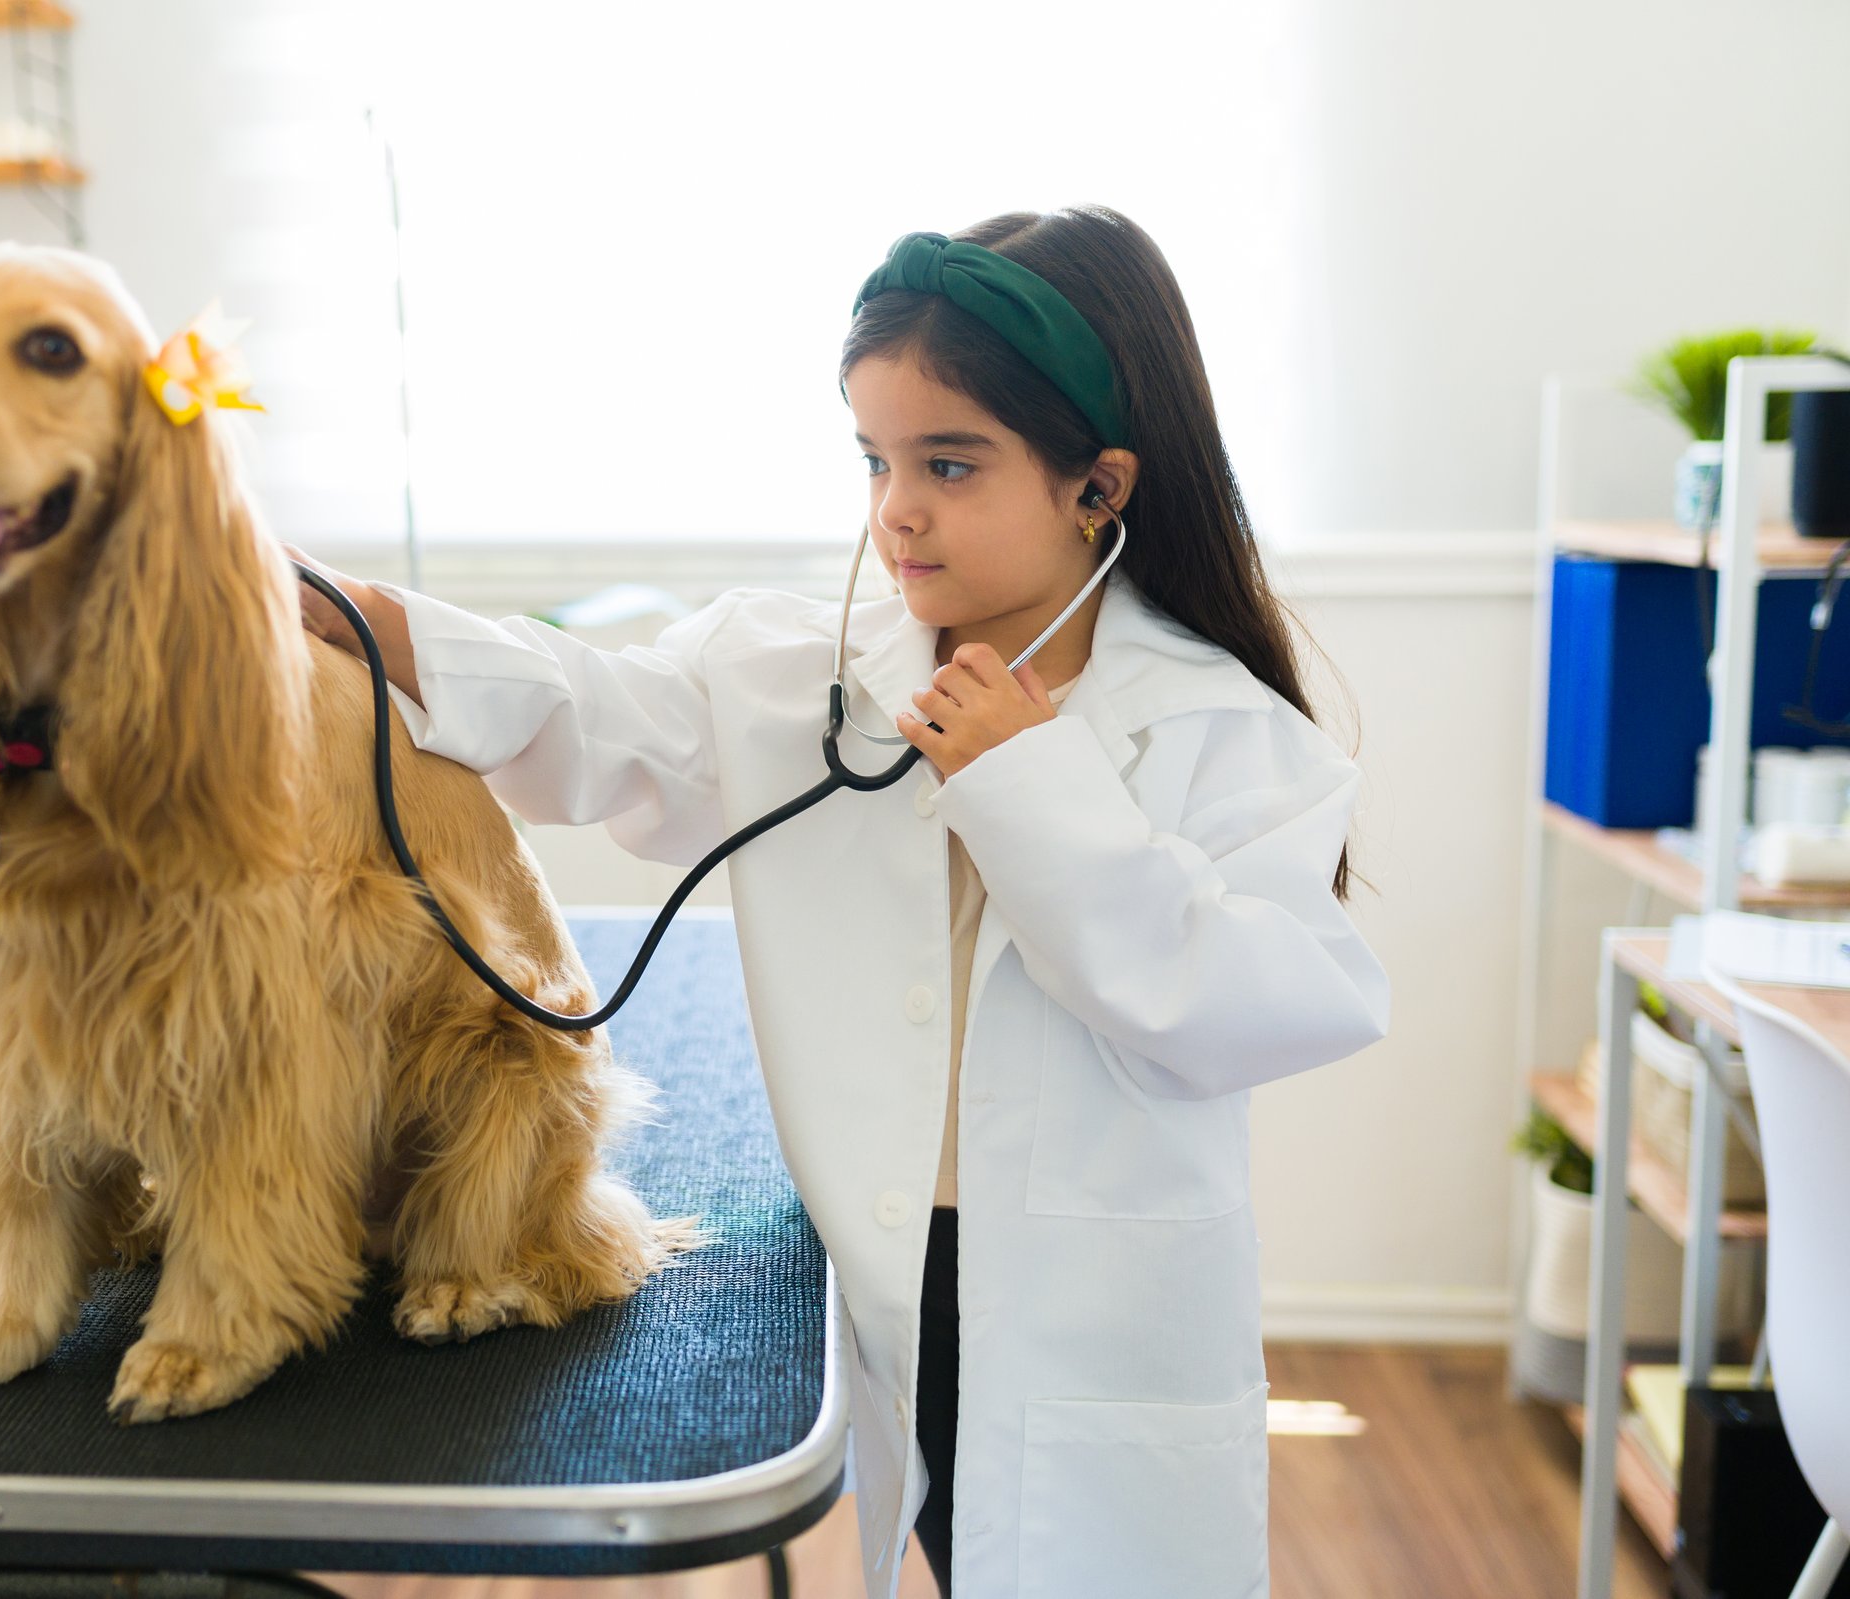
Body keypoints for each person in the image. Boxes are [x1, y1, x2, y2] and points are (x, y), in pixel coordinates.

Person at [287, 204, 1389, 1598]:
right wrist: (379, 622)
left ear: (1097, 488)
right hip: (883, 1261)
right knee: (935, 1553)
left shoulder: (1226, 734)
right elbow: (601, 709)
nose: (897, 510)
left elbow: (1263, 1007)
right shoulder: (797, 672)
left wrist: (1037, 789)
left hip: (1094, 1307)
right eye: (875, 458)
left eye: (949, 462)